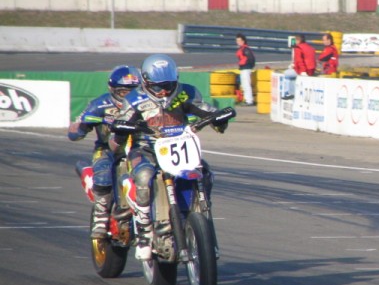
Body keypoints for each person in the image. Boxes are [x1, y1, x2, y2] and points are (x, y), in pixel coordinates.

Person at [111, 53, 226, 260]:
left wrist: (218, 119)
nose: (164, 91)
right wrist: (121, 130)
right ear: (146, 82)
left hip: (180, 145)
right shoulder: (134, 99)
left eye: (168, 85)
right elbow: (118, 129)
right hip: (146, 149)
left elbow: (206, 110)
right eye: (158, 87)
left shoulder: (186, 93)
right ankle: (145, 232)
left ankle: (200, 214)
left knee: (205, 172)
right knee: (144, 176)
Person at [68, 65, 142, 239]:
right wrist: (81, 127)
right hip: (107, 149)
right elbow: (75, 131)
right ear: (113, 89)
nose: (129, 96)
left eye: (133, 91)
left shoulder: (145, 104)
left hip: (139, 147)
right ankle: (101, 216)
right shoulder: (100, 104)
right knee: (103, 173)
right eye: (124, 92)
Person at [236, 33, 256, 106]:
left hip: (246, 68)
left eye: (239, 40)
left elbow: (251, 58)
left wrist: (250, 66)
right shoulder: (242, 49)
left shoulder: (246, 49)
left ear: (243, 41)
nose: (238, 42)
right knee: (244, 85)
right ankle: (247, 99)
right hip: (243, 68)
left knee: (246, 84)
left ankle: (249, 101)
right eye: (237, 41)